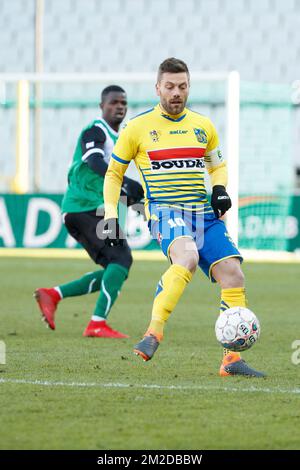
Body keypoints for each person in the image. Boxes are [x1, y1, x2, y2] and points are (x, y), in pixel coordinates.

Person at [101, 59, 265, 376]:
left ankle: (231, 360)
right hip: (164, 209)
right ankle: (153, 332)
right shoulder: (136, 127)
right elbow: (114, 174)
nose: (176, 93)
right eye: (170, 86)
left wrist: (219, 188)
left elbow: (217, 164)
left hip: (202, 212)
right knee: (186, 256)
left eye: (182, 86)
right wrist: (111, 215)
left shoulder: (203, 126)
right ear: (158, 88)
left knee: (234, 274)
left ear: (188, 87)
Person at [34, 85, 143, 338]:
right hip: (84, 207)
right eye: (114, 102)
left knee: (116, 267)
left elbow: (109, 183)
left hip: (95, 207)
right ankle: (96, 324)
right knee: (121, 259)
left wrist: (137, 200)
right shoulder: (95, 131)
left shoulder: (118, 139)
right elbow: (94, 162)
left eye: (123, 103)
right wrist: (126, 182)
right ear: (102, 106)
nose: (120, 107)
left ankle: (53, 295)